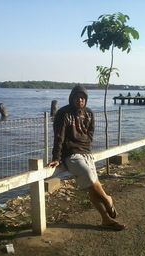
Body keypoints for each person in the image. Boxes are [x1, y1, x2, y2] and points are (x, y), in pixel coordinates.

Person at [48, 85, 125, 231]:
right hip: (71, 154)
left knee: (92, 188)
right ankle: (108, 199)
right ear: (72, 98)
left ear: (86, 100)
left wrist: (86, 145)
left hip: (86, 152)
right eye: (77, 97)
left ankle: (105, 219)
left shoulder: (89, 113)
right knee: (90, 177)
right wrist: (56, 157)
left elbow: (90, 133)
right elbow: (59, 137)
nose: (80, 100)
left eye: (83, 98)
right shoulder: (63, 113)